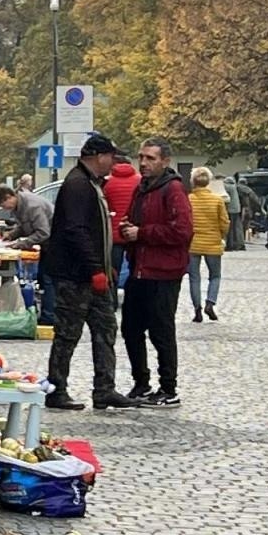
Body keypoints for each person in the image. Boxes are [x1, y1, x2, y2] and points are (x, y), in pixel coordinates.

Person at [40, 134, 138, 412]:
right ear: (99, 156)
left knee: (106, 328)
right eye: (111, 157)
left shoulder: (89, 183)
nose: (113, 163)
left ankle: (104, 389)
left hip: (92, 273)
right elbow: (76, 230)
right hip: (76, 275)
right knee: (68, 334)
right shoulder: (78, 185)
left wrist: (104, 266)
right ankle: (57, 389)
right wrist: (96, 267)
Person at [119, 139, 193, 408]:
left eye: (150, 158)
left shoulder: (173, 189)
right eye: (141, 157)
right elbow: (135, 221)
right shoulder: (142, 188)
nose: (144, 163)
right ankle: (141, 382)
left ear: (164, 161)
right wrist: (128, 229)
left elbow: (182, 231)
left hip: (164, 271)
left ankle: (169, 388)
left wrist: (143, 232)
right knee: (131, 328)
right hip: (140, 268)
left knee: (161, 330)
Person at [0, 184, 55, 327]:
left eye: (4, 205)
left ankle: (49, 318)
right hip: (48, 245)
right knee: (43, 278)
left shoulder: (32, 206)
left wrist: (22, 243)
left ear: (9, 197)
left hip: (56, 244)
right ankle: (47, 313)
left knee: (49, 279)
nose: (5, 209)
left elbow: (43, 232)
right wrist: (12, 235)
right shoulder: (20, 206)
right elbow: (24, 226)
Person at [185, 166, 230, 325]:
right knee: (215, 276)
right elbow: (224, 222)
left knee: (194, 277)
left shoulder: (188, 199)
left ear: (193, 182)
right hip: (212, 243)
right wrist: (221, 235)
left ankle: (197, 308)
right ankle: (210, 303)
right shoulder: (217, 200)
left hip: (193, 244)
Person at [101, 154, 140, 300]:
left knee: (113, 269)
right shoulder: (140, 181)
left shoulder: (107, 183)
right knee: (135, 268)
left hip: (114, 232)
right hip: (133, 231)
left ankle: (112, 298)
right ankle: (134, 297)